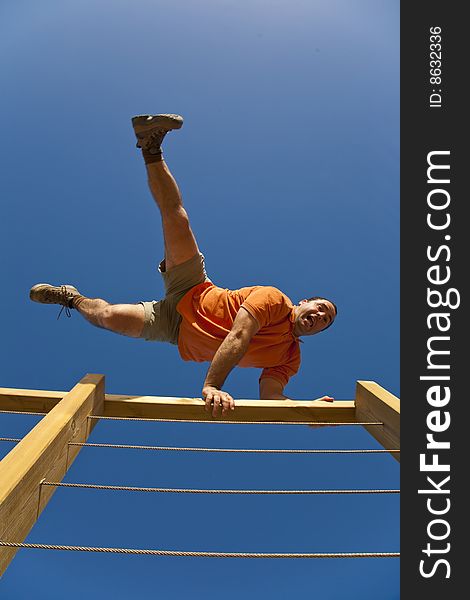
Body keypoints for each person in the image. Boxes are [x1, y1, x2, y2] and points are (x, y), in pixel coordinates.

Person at [30, 114, 337, 417]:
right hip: (195, 289)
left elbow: (270, 396)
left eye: (326, 321)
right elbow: (240, 334)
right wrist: (212, 386)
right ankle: (151, 146)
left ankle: (72, 297)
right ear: (304, 302)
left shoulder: (289, 357)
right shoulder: (275, 299)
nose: (320, 316)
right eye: (321, 308)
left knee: (108, 317)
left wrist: (308, 411)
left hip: (174, 328)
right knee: (177, 220)